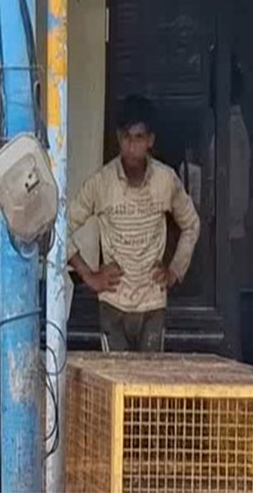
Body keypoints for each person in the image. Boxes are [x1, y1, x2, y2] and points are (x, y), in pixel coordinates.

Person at [68, 96, 201, 353]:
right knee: (116, 383)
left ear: (150, 140)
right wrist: (89, 275)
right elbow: (59, 227)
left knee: (148, 386)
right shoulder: (101, 183)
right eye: (127, 137)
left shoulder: (165, 180)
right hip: (113, 302)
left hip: (152, 303)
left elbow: (191, 224)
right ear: (118, 138)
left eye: (139, 138)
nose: (132, 147)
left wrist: (174, 270)